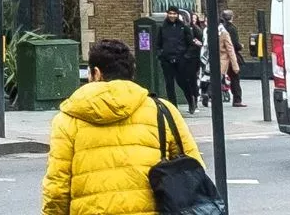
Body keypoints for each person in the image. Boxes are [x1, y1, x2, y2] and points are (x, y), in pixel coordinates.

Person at [42, 38, 204, 215]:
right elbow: (193, 168)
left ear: (96, 73)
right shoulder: (163, 111)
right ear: (131, 73)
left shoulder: (67, 119)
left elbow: (57, 187)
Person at [153, 6, 201, 113]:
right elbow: (158, 44)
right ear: (167, 14)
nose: (172, 16)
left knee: (183, 82)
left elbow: (191, 44)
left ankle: (190, 101)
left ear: (177, 15)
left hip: (181, 60)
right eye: (170, 13)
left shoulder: (184, 27)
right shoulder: (162, 27)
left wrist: (186, 56)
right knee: (169, 84)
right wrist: (161, 54)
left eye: (174, 13)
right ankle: (173, 107)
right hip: (167, 60)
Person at [219, 10, 244, 108]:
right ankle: (237, 100)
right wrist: (240, 46)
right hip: (230, 57)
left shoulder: (220, 28)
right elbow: (234, 45)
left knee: (219, 77)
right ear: (232, 17)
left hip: (221, 57)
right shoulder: (232, 29)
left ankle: (209, 94)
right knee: (235, 78)